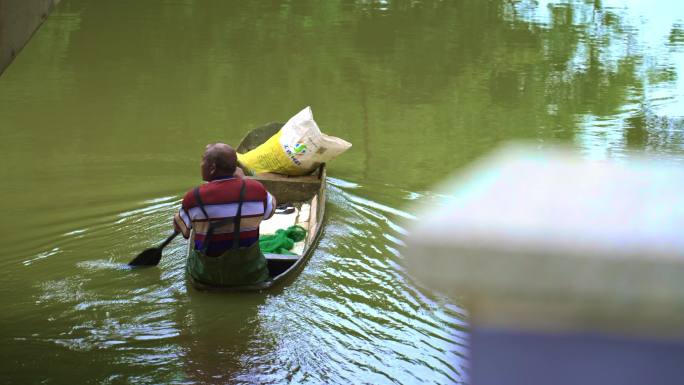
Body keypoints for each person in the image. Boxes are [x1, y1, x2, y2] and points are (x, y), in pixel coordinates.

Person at [173, 143, 276, 286]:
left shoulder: (193, 197)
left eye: (203, 160)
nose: (200, 164)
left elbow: (182, 230)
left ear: (213, 167)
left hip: (206, 277)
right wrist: (245, 179)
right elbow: (270, 212)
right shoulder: (257, 191)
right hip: (250, 275)